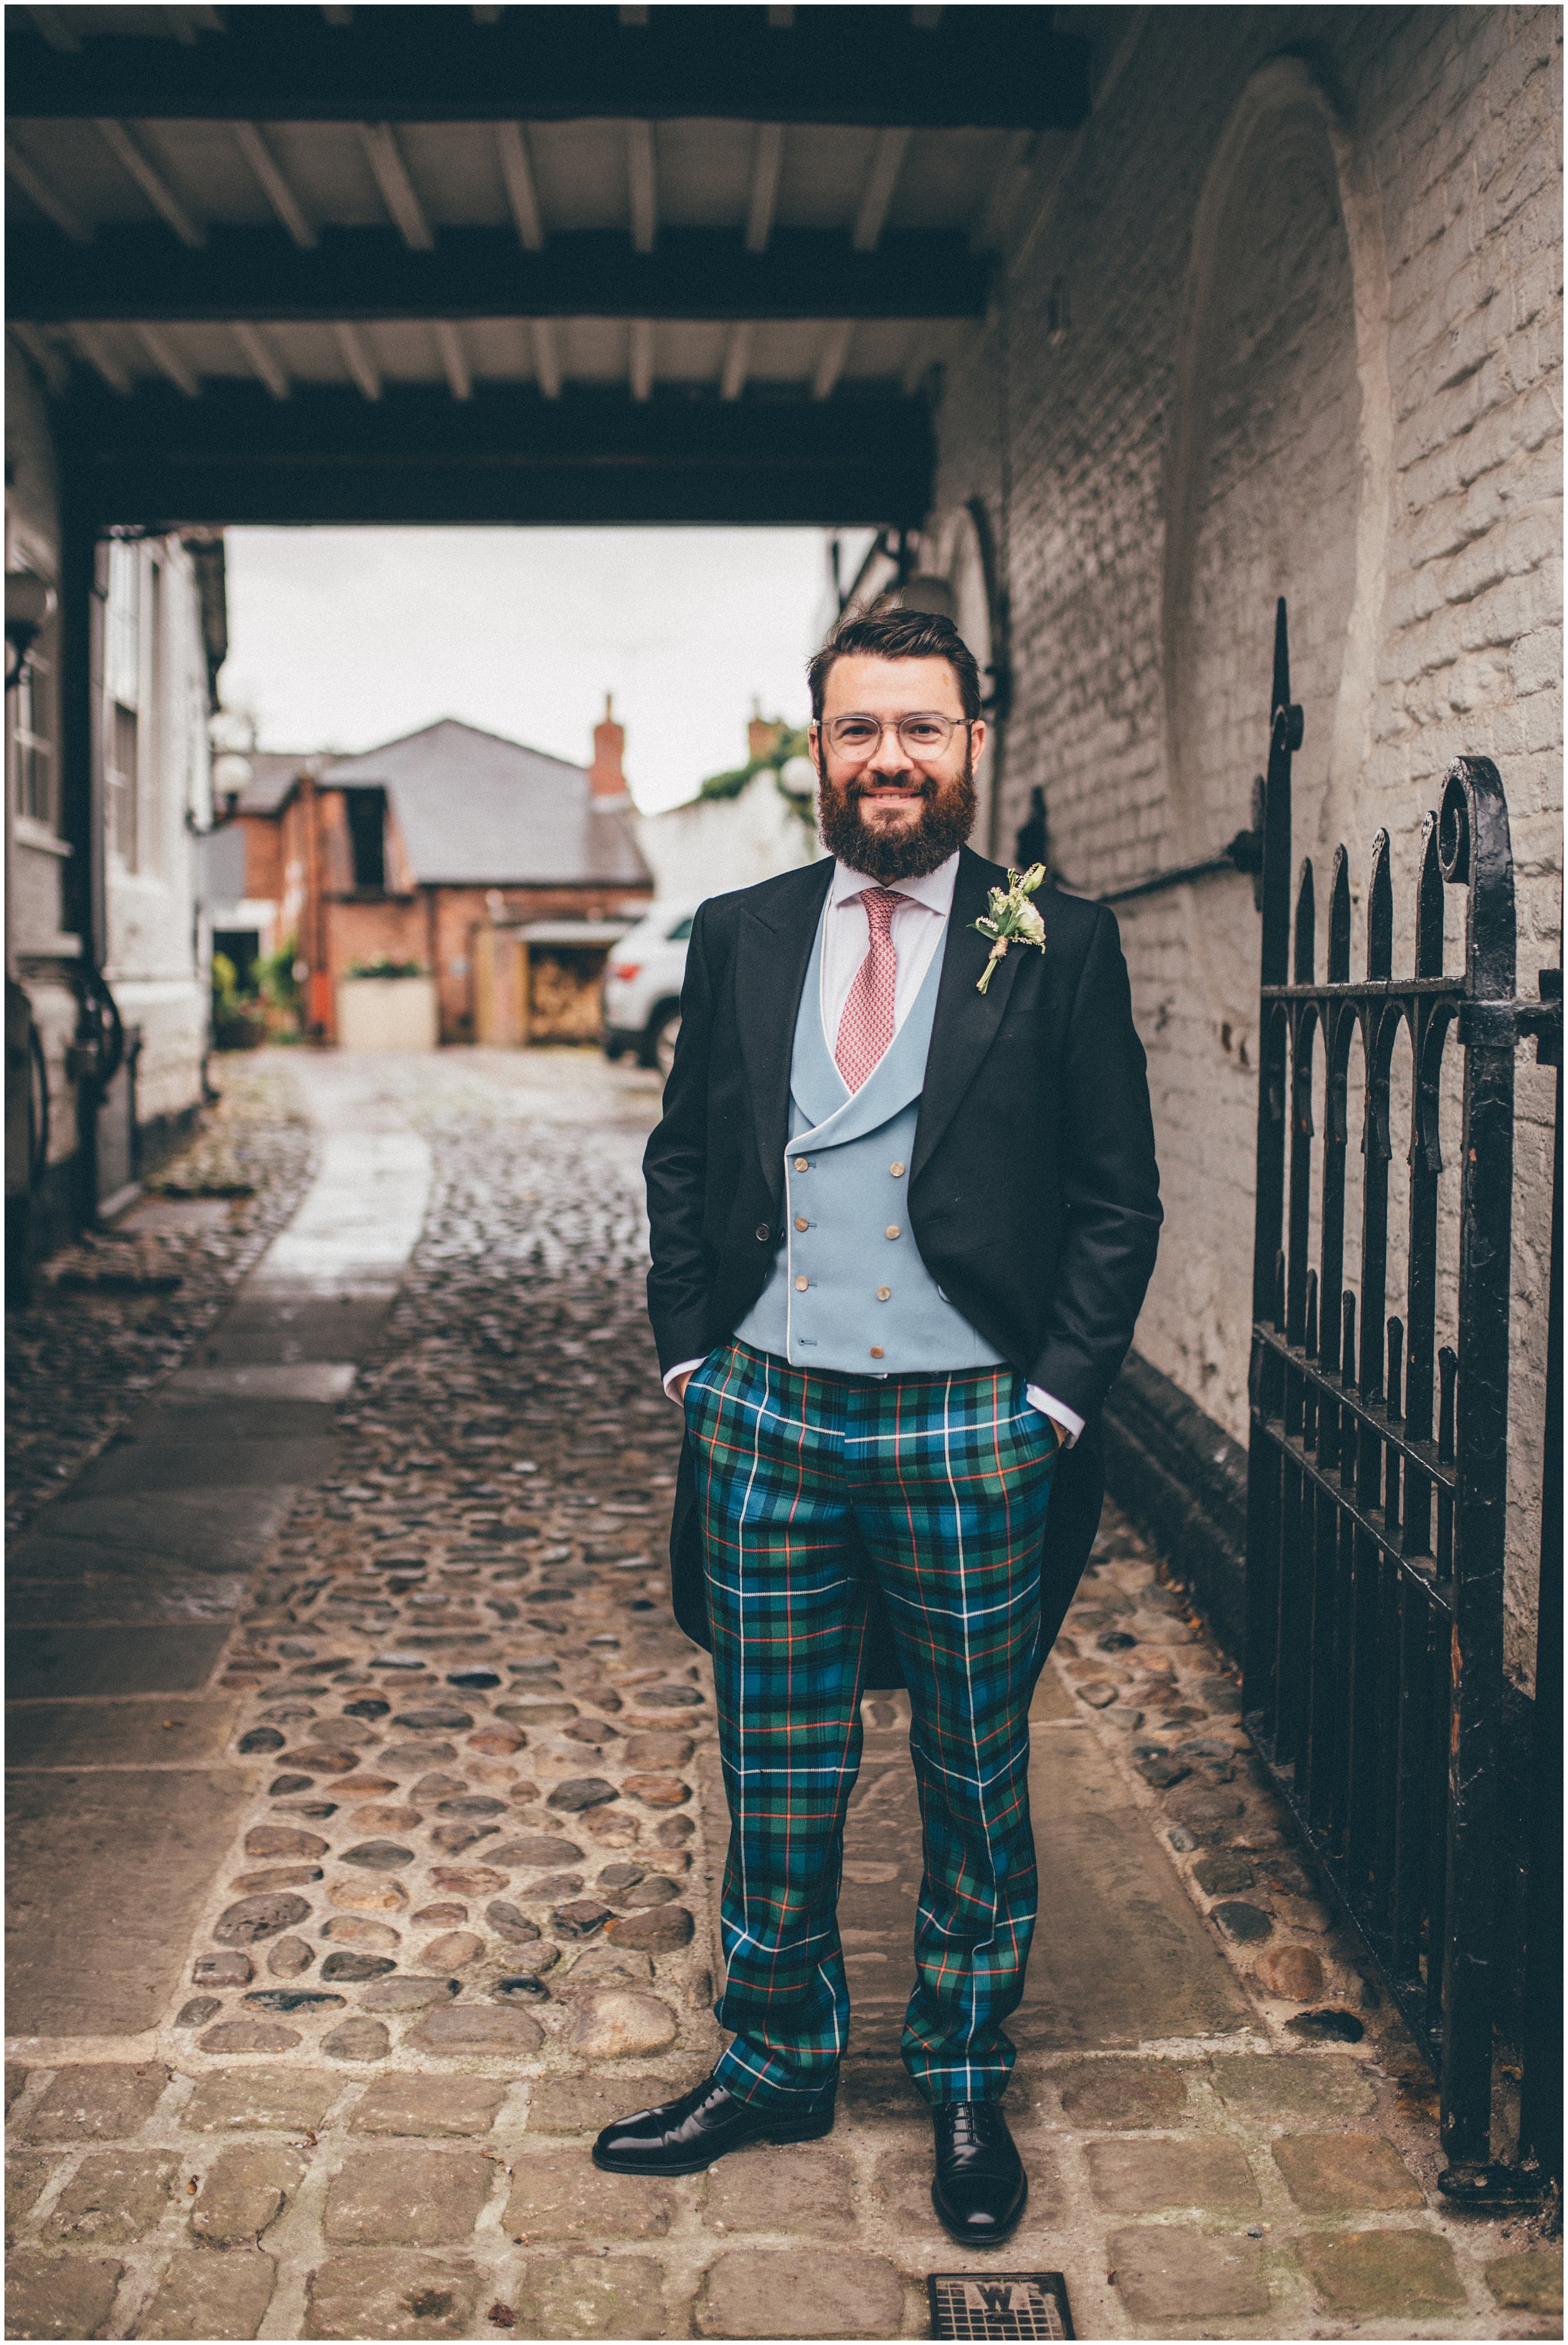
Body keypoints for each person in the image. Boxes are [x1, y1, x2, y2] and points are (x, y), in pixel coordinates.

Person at [593, 607, 1161, 2244]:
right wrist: (692, 1357)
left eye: (923, 726)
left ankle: (964, 2067)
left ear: (974, 741)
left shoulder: (1057, 939)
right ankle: (773, 2055)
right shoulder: (744, 928)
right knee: (775, 1762)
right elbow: (690, 1156)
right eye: (861, 729)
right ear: (818, 747)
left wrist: (1047, 1401)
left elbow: (1116, 1200)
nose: (891, 757)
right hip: (763, 1414)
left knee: (971, 1769)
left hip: (968, 1420)